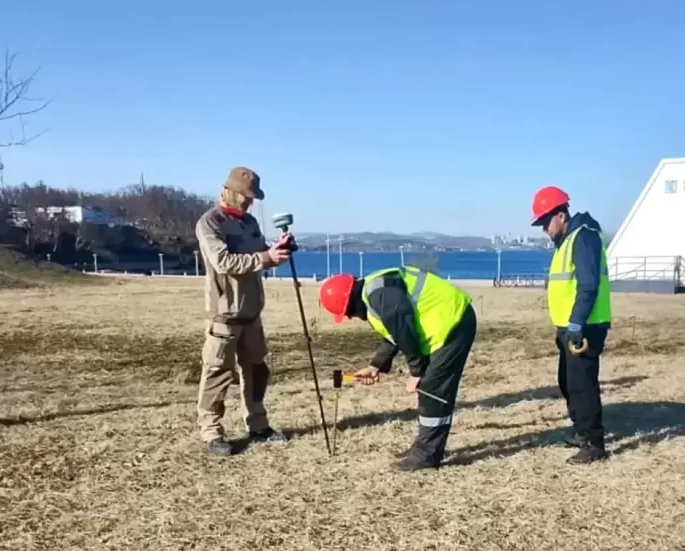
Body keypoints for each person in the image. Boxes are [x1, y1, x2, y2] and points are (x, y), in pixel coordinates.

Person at [318, 265, 477, 471]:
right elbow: (394, 333)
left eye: (348, 313)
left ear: (350, 303)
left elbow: (404, 330)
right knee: (431, 388)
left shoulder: (380, 295)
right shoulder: (375, 293)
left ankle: (426, 456)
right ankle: (425, 448)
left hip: (453, 323)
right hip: (446, 323)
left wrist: (417, 373)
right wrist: (376, 365)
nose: (350, 317)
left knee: (432, 389)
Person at [194, 166, 293, 456]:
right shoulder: (209, 223)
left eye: (253, 197)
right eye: (247, 196)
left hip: (252, 313)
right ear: (231, 191)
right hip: (224, 314)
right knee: (216, 374)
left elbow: (261, 256)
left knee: (257, 371)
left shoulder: (249, 223)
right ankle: (211, 431)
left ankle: (258, 425)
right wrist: (265, 256)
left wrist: (278, 252)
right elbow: (224, 261)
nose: (250, 202)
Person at [531, 186, 612, 464]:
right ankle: (581, 432)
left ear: (562, 215)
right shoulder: (567, 241)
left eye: (545, 221)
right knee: (568, 382)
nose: (544, 229)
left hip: (585, 327)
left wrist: (577, 323)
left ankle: (594, 443)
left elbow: (588, 285)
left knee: (581, 385)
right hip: (569, 327)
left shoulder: (584, 237)